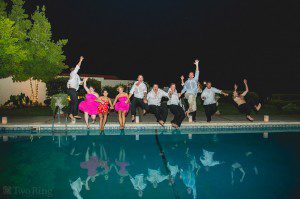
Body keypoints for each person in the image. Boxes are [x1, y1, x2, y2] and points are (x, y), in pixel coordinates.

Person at [67, 56, 84, 122]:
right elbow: (77, 67)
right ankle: (75, 114)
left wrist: (84, 81)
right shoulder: (73, 73)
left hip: (73, 90)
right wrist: (80, 60)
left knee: (73, 102)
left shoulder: (77, 76)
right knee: (76, 101)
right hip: (71, 90)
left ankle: (70, 114)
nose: (77, 70)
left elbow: (80, 83)